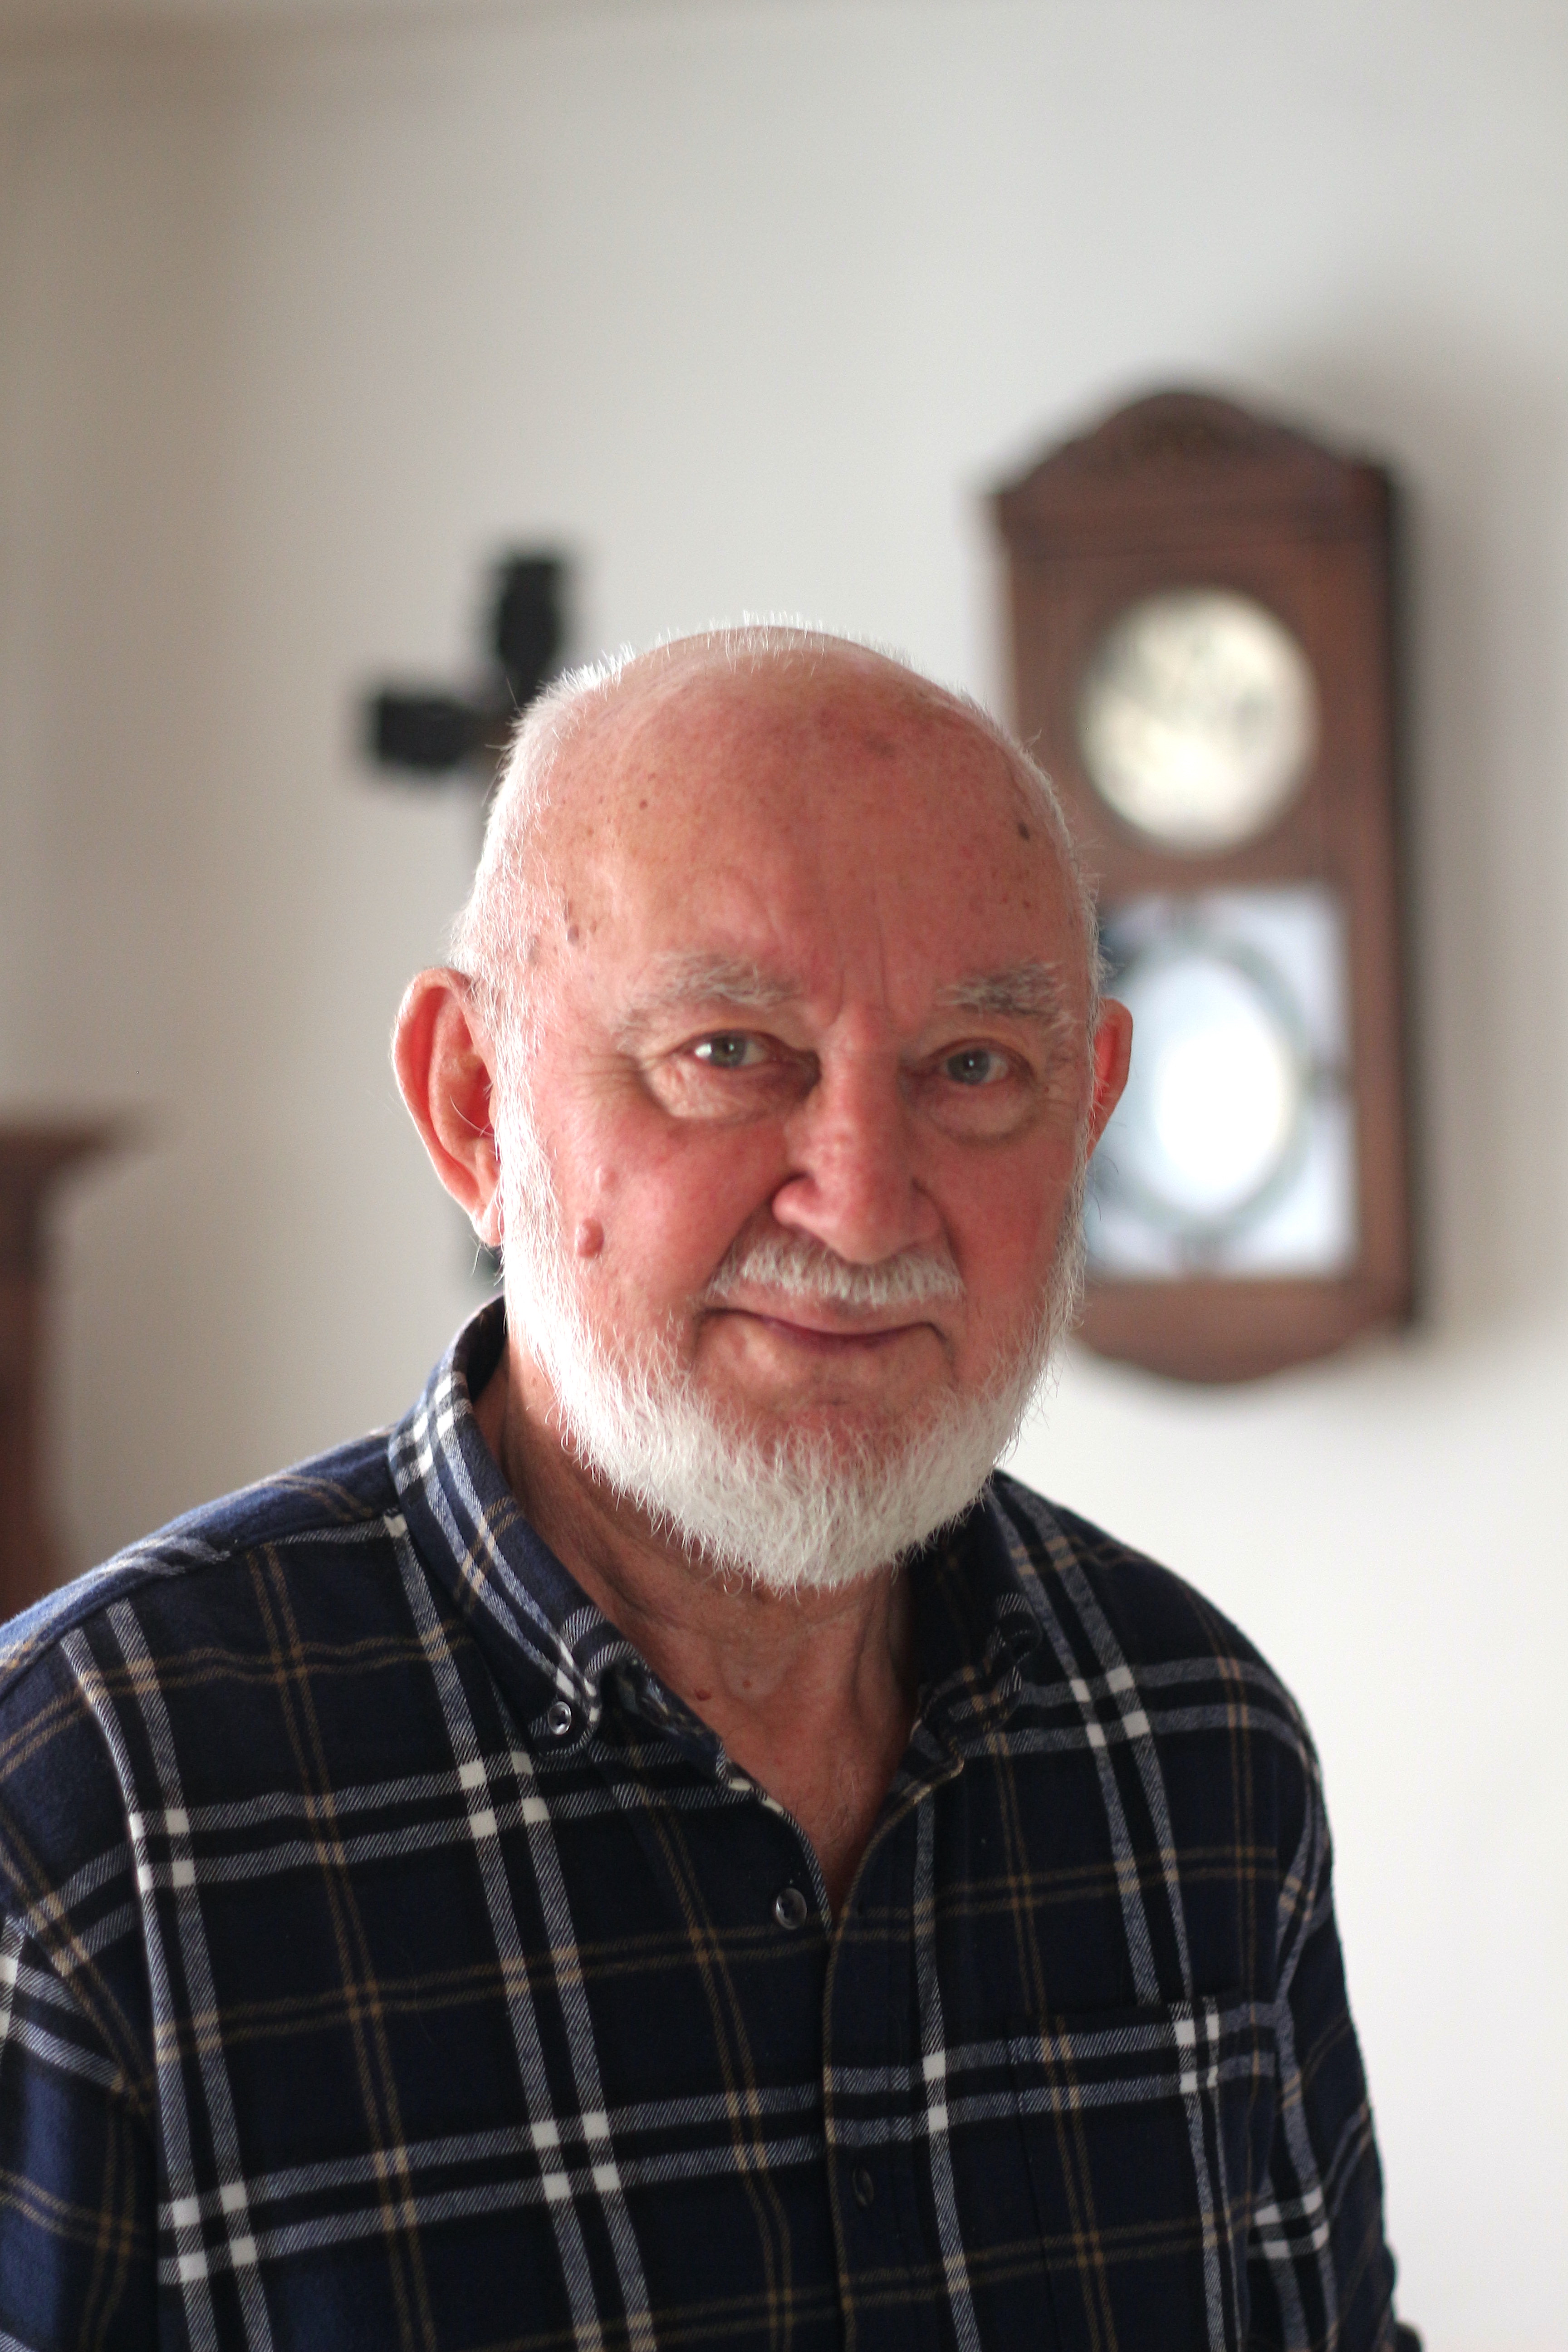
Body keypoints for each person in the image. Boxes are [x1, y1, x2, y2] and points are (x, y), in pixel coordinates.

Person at [0, 629, 1403, 2349]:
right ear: (472, 1106)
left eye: (975, 1067)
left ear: (1090, 1112)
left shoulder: (1196, 1749)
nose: (864, 1205)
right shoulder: (79, 1822)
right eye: (732, 1053)